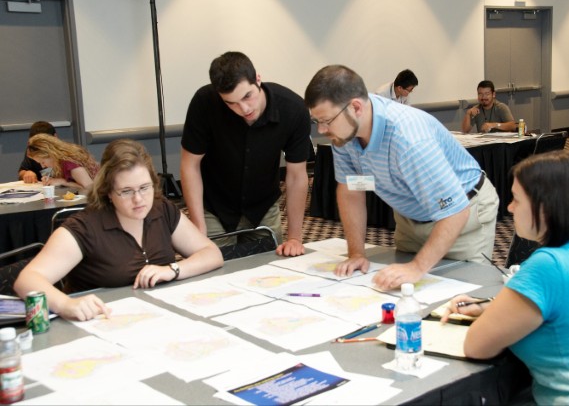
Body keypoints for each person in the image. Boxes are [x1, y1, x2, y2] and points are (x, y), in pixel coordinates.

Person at [441, 150, 569, 405]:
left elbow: (476, 347)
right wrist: (489, 308)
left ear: (545, 208)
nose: (510, 208)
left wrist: (493, 315)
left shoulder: (548, 266)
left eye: (516, 199)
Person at [304, 65, 499, 290]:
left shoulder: (408, 138)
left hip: (463, 216)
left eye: (327, 121)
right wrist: (357, 253)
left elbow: (456, 210)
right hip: (412, 219)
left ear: (356, 107)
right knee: (404, 294)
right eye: (316, 121)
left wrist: (417, 267)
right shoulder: (344, 136)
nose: (322, 130)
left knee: (462, 294)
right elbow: (351, 190)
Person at [14, 139, 224, 321]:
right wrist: (66, 304)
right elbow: (27, 280)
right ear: (108, 192)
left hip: (156, 319)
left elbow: (211, 253)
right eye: (126, 191)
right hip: (102, 323)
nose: (139, 199)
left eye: (145, 187)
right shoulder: (85, 227)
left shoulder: (162, 210)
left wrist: (173, 270)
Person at [181, 51, 310, 257]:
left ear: (258, 79)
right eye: (230, 103)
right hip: (215, 206)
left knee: (269, 264)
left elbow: (296, 176)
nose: (243, 108)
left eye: (247, 96)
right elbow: (190, 166)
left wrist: (295, 237)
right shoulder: (204, 102)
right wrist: (199, 227)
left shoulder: (293, 109)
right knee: (212, 265)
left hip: (263, 207)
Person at [27, 133, 100, 191]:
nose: (42, 166)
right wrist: (51, 179)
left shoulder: (70, 163)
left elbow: (90, 188)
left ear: (51, 154)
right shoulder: (59, 162)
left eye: (43, 162)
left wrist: (63, 182)